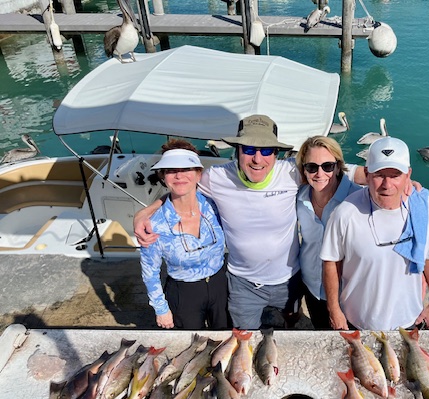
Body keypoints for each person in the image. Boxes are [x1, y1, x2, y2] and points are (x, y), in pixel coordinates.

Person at [135, 114, 365, 330]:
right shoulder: (217, 178)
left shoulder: (292, 173)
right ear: (237, 151)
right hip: (243, 284)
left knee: (291, 323)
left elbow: (342, 170)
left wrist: (399, 177)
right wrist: (147, 212)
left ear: (276, 153)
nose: (257, 159)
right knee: (244, 340)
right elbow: (182, 185)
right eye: (249, 150)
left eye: (266, 150)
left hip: (290, 280)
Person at [320, 136, 429, 331]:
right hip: (356, 322)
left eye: (395, 175)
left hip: (410, 320)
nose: (387, 185)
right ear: (367, 174)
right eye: (379, 175)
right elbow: (331, 263)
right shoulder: (345, 213)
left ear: (408, 175)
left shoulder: (424, 208)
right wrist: (334, 310)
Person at [140, 139, 228, 330]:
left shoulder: (215, 206)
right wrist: (161, 309)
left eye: (186, 169)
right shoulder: (154, 224)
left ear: (198, 174)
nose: (179, 175)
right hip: (184, 293)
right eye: (171, 170)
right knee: (191, 346)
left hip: (220, 285)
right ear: (163, 176)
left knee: (224, 340)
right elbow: (150, 273)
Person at [296, 136, 362, 329]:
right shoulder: (299, 198)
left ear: (338, 167)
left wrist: (412, 188)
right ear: (304, 170)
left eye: (327, 166)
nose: (319, 173)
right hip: (311, 286)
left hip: (347, 293)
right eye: (311, 167)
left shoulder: (357, 199)